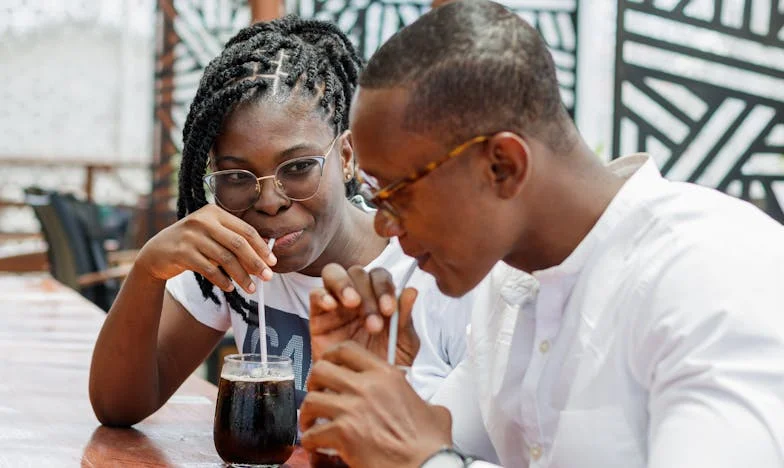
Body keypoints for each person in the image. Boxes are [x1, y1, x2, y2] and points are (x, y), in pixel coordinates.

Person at [299, 1, 784, 467]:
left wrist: (425, 461)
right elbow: (427, 444)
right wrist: (367, 392)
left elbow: (428, 456)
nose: (383, 224)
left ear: (502, 165)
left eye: (396, 192)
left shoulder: (713, 273)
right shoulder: (506, 285)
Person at [88, 16, 471, 426]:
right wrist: (149, 270)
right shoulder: (233, 260)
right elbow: (119, 405)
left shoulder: (429, 275)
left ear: (345, 157)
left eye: (299, 167)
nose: (269, 201)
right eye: (236, 177)